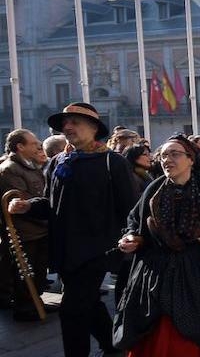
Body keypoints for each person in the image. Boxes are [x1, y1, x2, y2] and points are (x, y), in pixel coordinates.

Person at [8, 102, 136, 356]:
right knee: (88, 303)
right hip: (65, 250)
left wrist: (129, 240)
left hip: (98, 250)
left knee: (72, 309)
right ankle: (113, 345)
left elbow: (130, 209)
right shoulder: (57, 162)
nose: (67, 127)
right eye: (64, 124)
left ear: (93, 128)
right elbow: (50, 203)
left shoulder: (113, 163)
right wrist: (27, 206)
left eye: (74, 122)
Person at [115, 135, 200, 357]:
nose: (167, 159)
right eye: (163, 155)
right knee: (155, 338)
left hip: (197, 275)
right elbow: (134, 222)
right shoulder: (154, 189)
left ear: (191, 159)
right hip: (155, 277)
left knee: (189, 341)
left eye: (174, 154)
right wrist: (132, 238)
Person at [0, 129, 48, 322]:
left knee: (39, 271)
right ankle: (25, 307)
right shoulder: (10, 169)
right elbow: (21, 199)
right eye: (33, 142)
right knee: (25, 272)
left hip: (40, 229)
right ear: (20, 146)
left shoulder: (32, 166)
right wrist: (44, 211)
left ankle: (36, 303)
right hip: (25, 231)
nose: (38, 145)